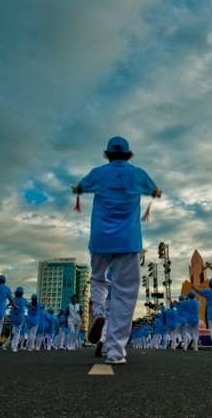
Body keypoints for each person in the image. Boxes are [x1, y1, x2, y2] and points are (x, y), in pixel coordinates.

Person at [72, 136, 161, 366]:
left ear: (107, 154)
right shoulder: (138, 174)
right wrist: (153, 193)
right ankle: (115, 351)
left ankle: (99, 312)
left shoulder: (98, 173)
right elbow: (156, 191)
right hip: (128, 241)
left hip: (101, 240)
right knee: (125, 292)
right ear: (128, 154)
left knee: (99, 280)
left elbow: (79, 187)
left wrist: (78, 189)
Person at [191, 278, 212, 353]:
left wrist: (193, 287)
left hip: (211, 314)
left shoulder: (208, 292)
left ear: (210, 285)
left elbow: (199, 292)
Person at [7, 287, 28, 352]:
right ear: (22, 293)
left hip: (13, 316)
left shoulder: (13, 299)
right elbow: (28, 305)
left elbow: (8, 305)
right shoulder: (24, 300)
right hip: (20, 317)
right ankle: (14, 347)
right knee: (17, 331)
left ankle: (12, 345)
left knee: (14, 330)